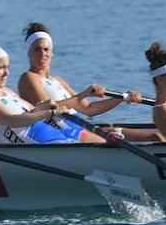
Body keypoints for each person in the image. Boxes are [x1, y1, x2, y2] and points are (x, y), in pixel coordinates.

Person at [15, 22, 156, 140]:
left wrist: (123, 98)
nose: (42, 54)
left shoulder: (58, 81)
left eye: (46, 49)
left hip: (79, 126)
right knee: (116, 140)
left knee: (153, 137)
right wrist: (84, 94)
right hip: (60, 131)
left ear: (52, 52)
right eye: (37, 50)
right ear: (28, 52)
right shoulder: (28, 78)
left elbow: (89, 109)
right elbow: (49, 108)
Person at [0, 45, 104, 145]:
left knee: (104, 142)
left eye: (8, 67)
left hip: (54, 137)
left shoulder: (7, 91)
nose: (7, 73)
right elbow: (13, 121)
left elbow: (31, 112)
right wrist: (49, 113)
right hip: (38, 147)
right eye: (1, 68)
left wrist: (43, 107)